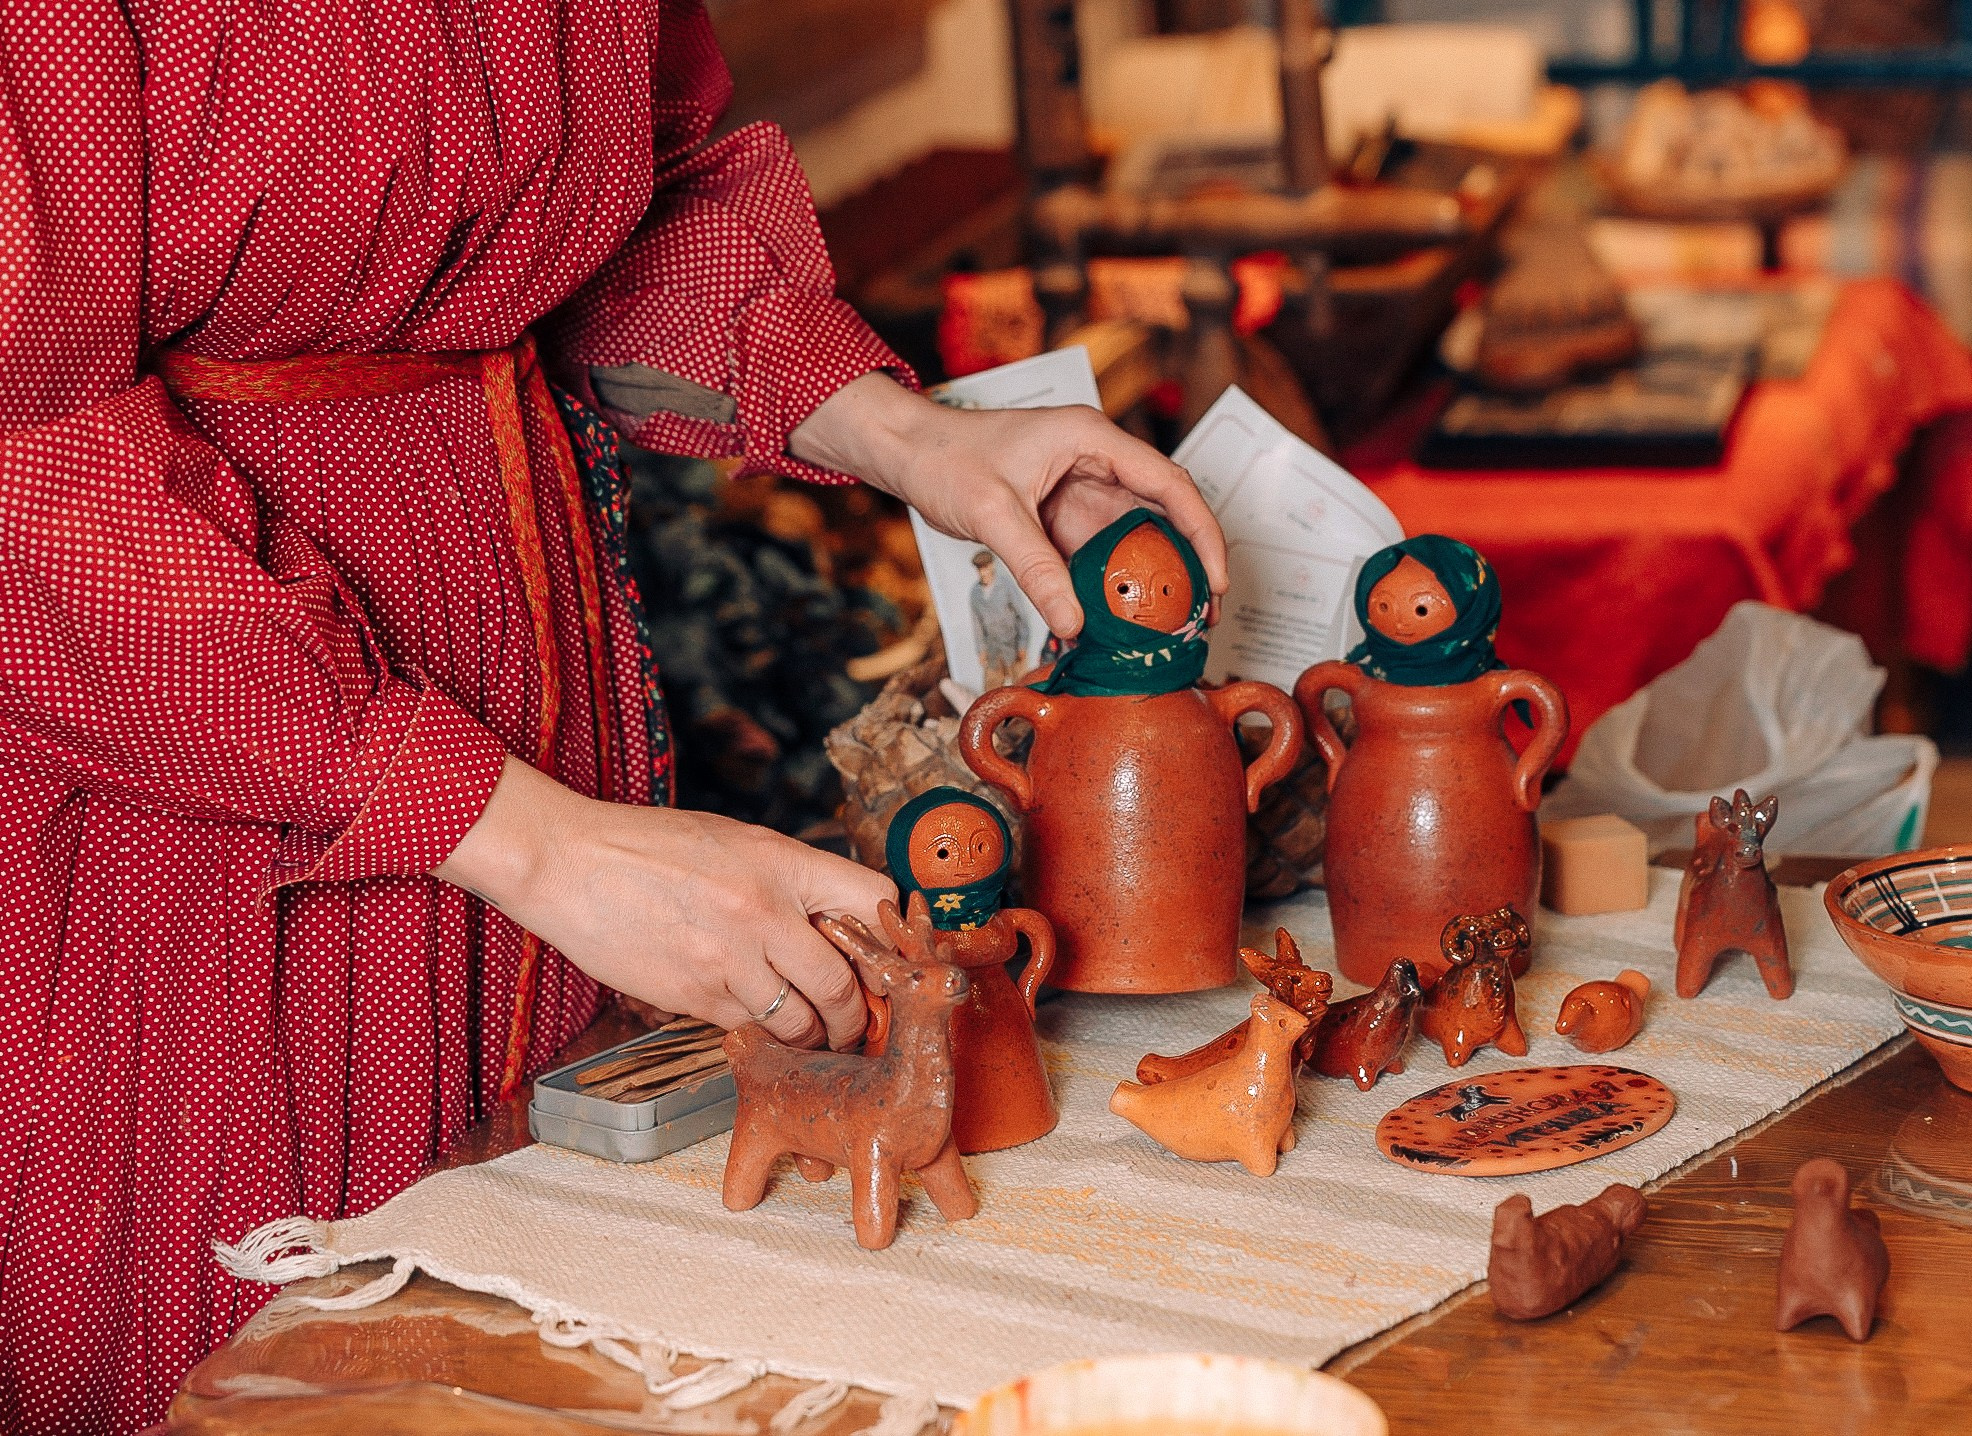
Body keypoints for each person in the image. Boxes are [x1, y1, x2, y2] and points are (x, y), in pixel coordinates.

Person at [0, 4, 1228, 1431]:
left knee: (541, 1339)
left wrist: (912, 437)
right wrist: (543, 845)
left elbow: (610, 214)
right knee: (288, 1356)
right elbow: (23, 470)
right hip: (202, 765)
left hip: (537, 725)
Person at [970, 549, 1032, 690]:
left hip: (1013, 645)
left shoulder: (1006, 585)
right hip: (993, 650)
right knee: (990, 691)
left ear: (992, 565)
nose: (983, 573)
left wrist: (1023, 644)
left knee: (1024, 688)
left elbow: (1021, 615)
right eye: (979, 569)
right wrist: (981, 650)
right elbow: (977, 624)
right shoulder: (975, 593)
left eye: (985, 567)